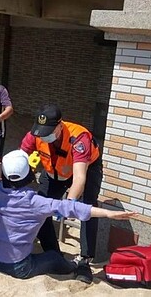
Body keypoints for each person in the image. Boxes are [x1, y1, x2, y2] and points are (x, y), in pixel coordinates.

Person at [0, 150, 135, 280]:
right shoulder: (35, 202)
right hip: (18, 267)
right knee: (53, 257)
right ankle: (74, 266)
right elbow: (72, 207)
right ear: (29, 174)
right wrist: (108, 213)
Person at [20, 104, 103, 283]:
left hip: (85, 169)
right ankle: (54, 255)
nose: (44, 135)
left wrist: (67, 203)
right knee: (39, 208)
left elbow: (80, 178)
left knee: (87, 208)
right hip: (54, 172)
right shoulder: (35, 135)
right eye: (41, 132)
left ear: (59, 125)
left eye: (48, 131)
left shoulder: (79, 139)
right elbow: (17, 159)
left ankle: (85, 261)